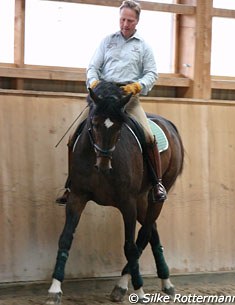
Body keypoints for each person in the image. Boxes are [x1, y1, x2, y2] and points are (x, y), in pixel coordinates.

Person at [56, 0, 167, 204]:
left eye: (130, 20)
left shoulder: (143, 47)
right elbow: (92, 67)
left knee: (149, 137)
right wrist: (94, 82)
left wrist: (137, 86)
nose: (125, 24)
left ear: (137, 21)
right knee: (73, 136)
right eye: (123, 19)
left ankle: (157, 182)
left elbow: (152, 73)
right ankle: (70, 185)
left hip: (127, 98)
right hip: (103, 97)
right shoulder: (107, 41)